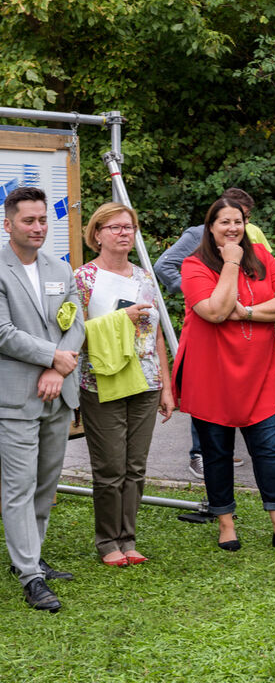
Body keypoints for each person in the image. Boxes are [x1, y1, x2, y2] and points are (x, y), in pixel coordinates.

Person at [172, 197, 275, 553]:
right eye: (224, 222)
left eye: (238, 221)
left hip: (257, 371)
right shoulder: (194, 265)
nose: (232, 228)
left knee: (269, 450)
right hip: (211, 372)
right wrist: (230, 262)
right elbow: (215, 312)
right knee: (217, 452)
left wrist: (246, 312)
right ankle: (225, 523)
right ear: (210, 227)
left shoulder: (262, 256)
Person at [74, 202, 174, 567]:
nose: (123, 233)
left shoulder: (145, 277)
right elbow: (74, 333)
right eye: (114, 227)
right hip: (103, 381)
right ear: (97, 234)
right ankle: (107, 542)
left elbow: (158, 334)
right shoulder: (82, 278)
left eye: (129, 227)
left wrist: (166, 385)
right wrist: (121, 317)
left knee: (135, 467)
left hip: (146, 381)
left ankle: (128, 538)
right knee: (110, 468)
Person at [0, 186, 85, 612]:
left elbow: (76, 322)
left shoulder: (60, 268)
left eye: (42, 220)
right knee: (19, 487)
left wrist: (58, 367)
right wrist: (52, 356)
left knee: (45, 484)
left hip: (58, 391)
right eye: (28, 220)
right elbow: (2, 333)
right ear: (8, 223)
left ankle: (29, 557)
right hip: (15, 398)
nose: (38, 227)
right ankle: (31, 576)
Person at [154, 187, 271, 478]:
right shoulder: (197, 236)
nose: (236, 226)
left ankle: (221, 453)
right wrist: (195, 292)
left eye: (241, 220)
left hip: (240, 322)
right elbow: (164, 264)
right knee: (205, 386)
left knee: (226, 389)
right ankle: (199, 454)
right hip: (209, 318)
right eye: (230, 219)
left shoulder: (249, 236)